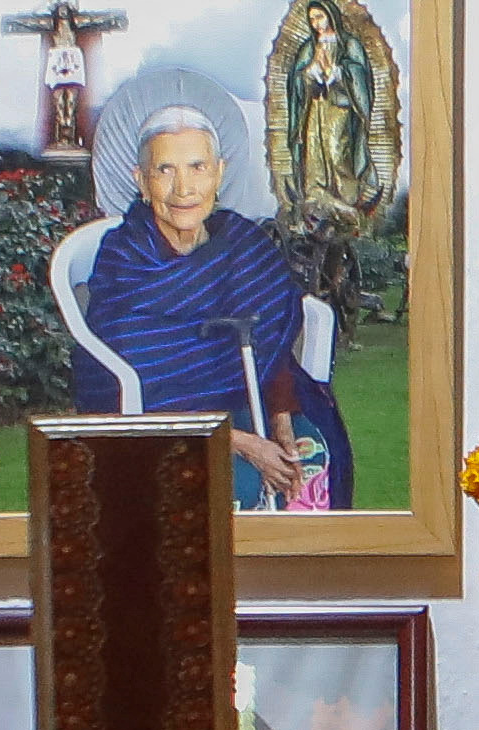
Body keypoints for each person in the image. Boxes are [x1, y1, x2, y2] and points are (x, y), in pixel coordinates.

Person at [49, 83, 354, 511]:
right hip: (165, 429)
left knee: (312, 458)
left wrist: (280, 421)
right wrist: (245, 443)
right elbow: (132, 382)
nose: (183, 189)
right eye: (165, 170)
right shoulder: (125, 257)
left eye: (197, 167)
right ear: (141, 181)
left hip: (252, 402)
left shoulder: (243, 243)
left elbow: (272, 345)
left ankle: (294, 577)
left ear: (219, 173)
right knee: (243, 487)